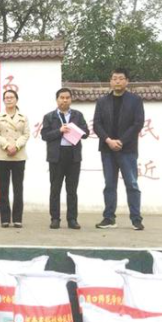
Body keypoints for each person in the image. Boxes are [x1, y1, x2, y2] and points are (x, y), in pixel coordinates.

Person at [93, 68, 145, 231]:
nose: (117, 81)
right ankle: (109, 218)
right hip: (107, 149)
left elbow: (138, 123)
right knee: (109, 185)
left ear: (127, 81)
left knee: (132, 184)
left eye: (121, 78)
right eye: (114, 78)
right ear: (110, 81)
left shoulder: (135, 100)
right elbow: (97, 124)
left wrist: (121, 141)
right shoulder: (102, 101)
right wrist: (108, 140)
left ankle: (136, 219)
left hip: (127, 149)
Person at [41, 88, 89, 230]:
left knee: (72, 189)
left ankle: (72, 219)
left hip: (73, 155)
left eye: (67, 97)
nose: (65, 100)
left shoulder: (77, 115)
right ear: (57, 100)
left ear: (71, 99)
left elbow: (86, 133)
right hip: (56, 155)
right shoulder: (49, 116)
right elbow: (45, 135)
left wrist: (75, 130)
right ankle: (55, 218)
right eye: (62, 97)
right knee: (55, 189)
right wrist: (59, 131)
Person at [0, 90, 30, 228]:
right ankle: (5, 219)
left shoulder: (23, 117)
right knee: (3, 189)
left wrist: (16, 146)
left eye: (11, 97)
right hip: (2, 155)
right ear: (3, 100)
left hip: (18, 155)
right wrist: (7, 146)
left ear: (16, 100)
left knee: (18, 188)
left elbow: (26, 134)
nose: (9, 99)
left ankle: (18, 219)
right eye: (6, 97)